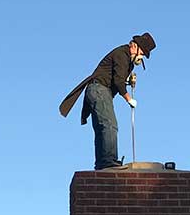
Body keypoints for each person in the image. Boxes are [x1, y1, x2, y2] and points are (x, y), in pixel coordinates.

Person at [59, 32, 156, 170]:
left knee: (101, 128)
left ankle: (102, 163)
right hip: (99, 90)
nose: (141, 57)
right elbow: (118, 82)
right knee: (110, 125)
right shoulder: (122, 55)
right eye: (142, 53)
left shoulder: (127, 59)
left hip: (97, 91)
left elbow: (117, 76)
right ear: (134, 46)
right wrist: (129, 99)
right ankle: (109, 161)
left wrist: (128, 80)